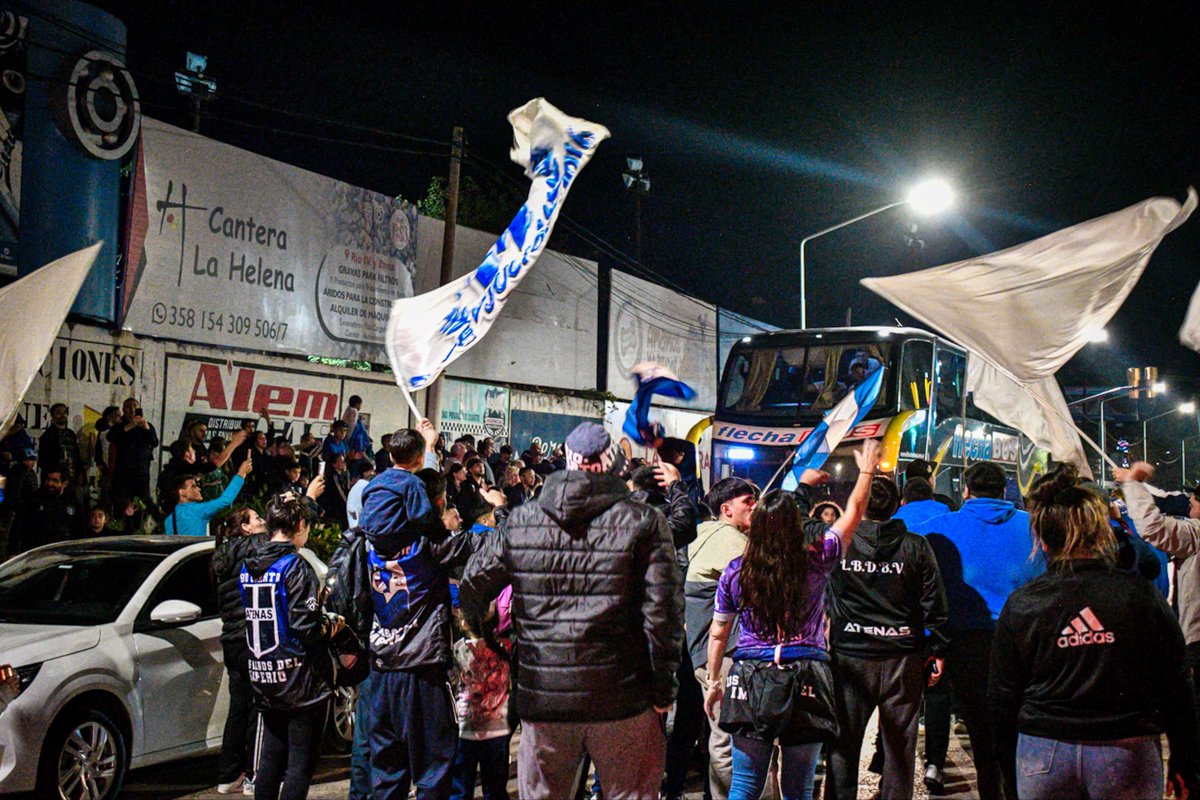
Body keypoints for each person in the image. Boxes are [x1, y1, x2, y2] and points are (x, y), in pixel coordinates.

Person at [460, 421, 684, 800]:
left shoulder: (523, 520)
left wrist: (496, 645)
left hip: (544, 696)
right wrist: (664, 689)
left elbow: (473, 585)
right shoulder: (644, 521)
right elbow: (664, 615)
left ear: (568, 463)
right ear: (614, 466)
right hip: (623, 697)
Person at [990, 463, 1199, 800]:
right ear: (1102, 533)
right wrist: (1185, 760)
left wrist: (1009, 776)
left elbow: (1002, 698)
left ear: (1044, 541)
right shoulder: (1139, 595)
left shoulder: (1023, 604)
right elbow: (1175, 683)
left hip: (1043, 752)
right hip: (1126, 749)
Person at [702, 441, 879, 800]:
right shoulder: (818, 558)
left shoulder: (736, 572)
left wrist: (714, 681)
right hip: (807, 675)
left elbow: (719, 633)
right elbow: (854, 513)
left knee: (745, 784)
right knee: (799, 787)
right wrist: (867, 471)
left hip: (750, 677)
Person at [330, 421, 494, 799]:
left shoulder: (364, 543)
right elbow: (477, 544)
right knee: (434, 770)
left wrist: (429, 451)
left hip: (380, 667)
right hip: (421, 672)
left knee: (386, 771)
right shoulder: (430, 546)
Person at [917, 461, 1042, 800]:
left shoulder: (938, 529)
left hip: (966, 644)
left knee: (981, 735)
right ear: (1004, 491)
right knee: (1018, 733)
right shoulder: (1034, 527)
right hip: (1022, 641)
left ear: (966, 490)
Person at [824, 476, 949, 800]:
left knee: (843, 744)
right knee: (900, 748)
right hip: (902, 657)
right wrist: (936, 649)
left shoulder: (840, 543)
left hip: (850, 655)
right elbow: (934, 603)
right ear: (897, 506)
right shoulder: (916, 546)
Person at [240, 491, 347, 800]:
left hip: (264, 675)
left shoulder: (249, 565)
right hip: (299, 680)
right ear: (300, 526)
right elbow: (306, 627)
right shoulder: (294, 566)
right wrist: (330, 625)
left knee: (271, 759)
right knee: (299, 764)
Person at [686, 477, 759, 800]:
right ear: (726, 510)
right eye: (748, 502)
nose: (755, 507)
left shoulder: (702, 533)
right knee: (731, 740)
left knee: (721, 736)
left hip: (708, 654)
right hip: (723, 656)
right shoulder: (731, 542)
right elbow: (762, 586)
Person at [1119, 464, 1200, 732]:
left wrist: (1132, 484)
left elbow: (1153, 527)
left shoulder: (1196, 534)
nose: (1191, 501)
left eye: (1196, 498)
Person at [213, 508, 269, 795]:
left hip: (231, 641)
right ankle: (254, 776)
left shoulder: (222, 555)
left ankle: (228, 775)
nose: (262, 522)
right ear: (245, 528)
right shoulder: (250, 548)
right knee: (258, 707)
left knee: (237, 708)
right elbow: (277, 538)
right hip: (249, 638)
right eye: (257, 519)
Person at [450, 602, 512, 800]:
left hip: (465, 729)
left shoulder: (458, 650)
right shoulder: (505, 647)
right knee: (495, 790)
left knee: (460, 789)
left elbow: (452, 684)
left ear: (464, 622)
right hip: (497, 728)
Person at [164, 456, 253, 536]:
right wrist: (241, 473)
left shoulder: (168, 520)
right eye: (193, 486)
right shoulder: (197, 510)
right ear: (182, 492)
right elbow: (225, 500)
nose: (198, 489)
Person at [10, 464, 83, 553]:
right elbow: (18, 526)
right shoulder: (33, 499)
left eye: (55, 481)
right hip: (35, 552)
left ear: (64, 483)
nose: (49, 483)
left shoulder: (72, 502)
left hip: (62, 553)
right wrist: (13, 552)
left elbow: (79, 530)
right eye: (48, 479)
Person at [106, 397, 159, 507]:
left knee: (142, 504)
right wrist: (131, 425)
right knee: (122, 504)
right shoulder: (119, 426)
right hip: (123, 473)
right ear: (124, 410)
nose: (132, 409)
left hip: (142, 473)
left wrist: (146, 427)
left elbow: (154, 442)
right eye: (128, 407)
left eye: (135, 406)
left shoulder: (146, 426)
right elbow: (111, 437)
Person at [37, 402, 81, 480]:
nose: (62, 415)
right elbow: (43, 460)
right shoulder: (48, 436)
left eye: (64, 412)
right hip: (55, 479)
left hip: (72, 477)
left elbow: (76, 454)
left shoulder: (71, 434)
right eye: (58, 412)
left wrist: (80, 473)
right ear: (52, 416)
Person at [319, 453, 351, 528]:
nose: (344, 463)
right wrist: (348, 503)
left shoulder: (344, 474)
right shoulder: (333, 477)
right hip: (334, 508)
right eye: (341, 461)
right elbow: (340, 493)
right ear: (334, 464)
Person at [346, 459, 376, 529]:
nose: (374, 474)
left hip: (356, 524)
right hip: (360, 527)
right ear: (365, 473)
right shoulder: (365, 487)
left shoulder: (359, 486)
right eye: (371, 471)